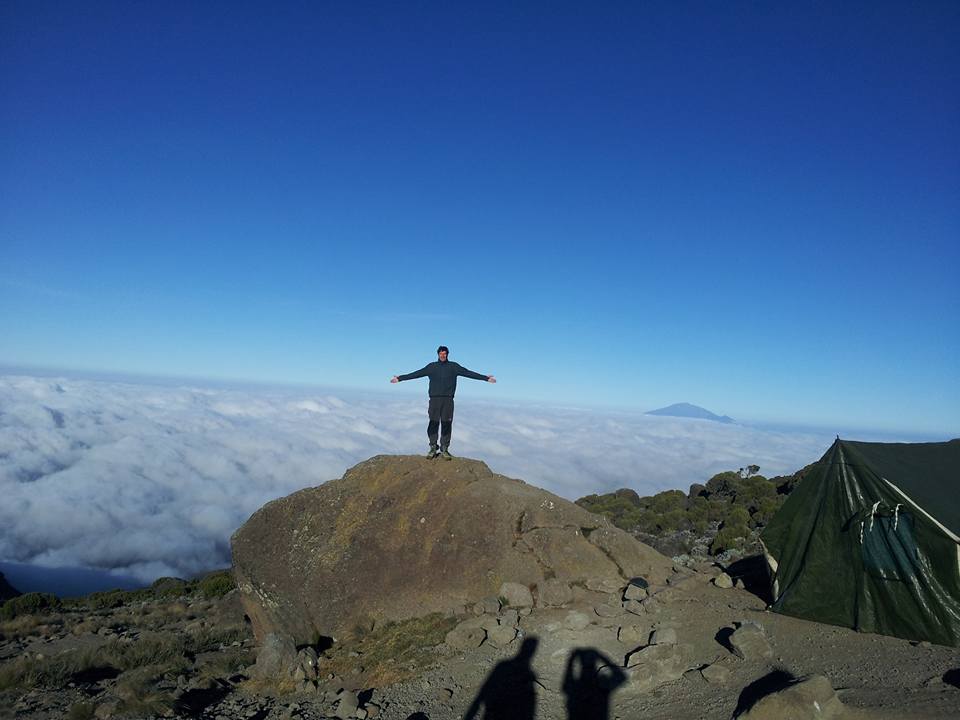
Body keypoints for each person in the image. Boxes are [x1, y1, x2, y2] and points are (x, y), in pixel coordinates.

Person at [391, 345, 496, 460]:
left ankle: (445, 449)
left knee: (446, 423)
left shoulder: (453, 367)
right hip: (434, 399)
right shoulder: (432, 367)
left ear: (447, 354)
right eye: (441, 353)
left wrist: (485, 378)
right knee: (433, 423)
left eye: (444, 353)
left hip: (448, 400)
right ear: (438, 354)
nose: (442, 355)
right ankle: (432, 447)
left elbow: (468, 373)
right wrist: (400, 378)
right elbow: (417, 374)